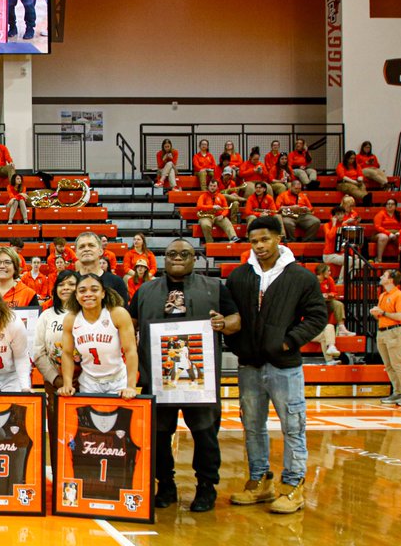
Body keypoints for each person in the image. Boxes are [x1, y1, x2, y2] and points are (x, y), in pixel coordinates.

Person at [128, 239, 240, 512]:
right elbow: (128, 324)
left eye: (185, 254)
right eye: (172, 253)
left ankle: (206, 487)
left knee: (204, 434)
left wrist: (223, 323)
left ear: (195, 258)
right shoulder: (146, 290)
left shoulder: (214, 288)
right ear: (164, 258)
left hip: (199, 378)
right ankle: (165, 484)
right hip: (156, 377)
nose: (178, 257)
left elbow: (236, 319)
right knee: (159, 435)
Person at [225, 216, 327, 514]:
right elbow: (232, 317)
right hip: (249, 366)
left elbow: (318, 315)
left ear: (278, 238)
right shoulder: (239, 276)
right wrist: (237, 344)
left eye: (265, 239)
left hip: (285, 366)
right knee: (252, 427)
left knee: (293, 427)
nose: (259, 246)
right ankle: (260, 481)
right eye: (254, 241)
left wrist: (289, 341)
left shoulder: (300, 277)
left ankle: (294, 485)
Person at [58, 274, 139, 398]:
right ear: (76, 295)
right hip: (89, 382)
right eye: (82, 290)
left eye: (94, 290)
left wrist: (131, 386)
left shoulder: (117, 314)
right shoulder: (71, 319)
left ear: (103, 293)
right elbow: (67, 353)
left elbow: (130, 351)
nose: (88, 294)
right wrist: (67, 384)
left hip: (118, 381)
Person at [32, 270, 79, 430]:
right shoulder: (46, 315)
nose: (65, 288)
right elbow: (38, 351)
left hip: (84, 381)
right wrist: (55, 378)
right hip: (54, 382)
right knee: (56, 428)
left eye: (71, 284)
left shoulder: (87, 313)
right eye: (61, 284)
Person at [372, 269, 401, 406]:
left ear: (390, 280)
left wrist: (383, 312)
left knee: (397, 364)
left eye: (384, 275)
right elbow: (380, 315)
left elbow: (400, 317)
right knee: (389, 365)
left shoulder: (399, 295)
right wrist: (376, 313)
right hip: (382, 331)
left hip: (394, 332)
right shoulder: (383, 295)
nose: (381, 277)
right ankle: (398, 392)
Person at [73, 231, 128, 303]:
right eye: (81, 246)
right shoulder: (70, 282)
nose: (86, 249)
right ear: (76, 253)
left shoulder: (116, 282)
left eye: (91, 245)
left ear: (101, 251)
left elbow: (123, 312)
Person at [373, 196, 401, 262]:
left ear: (395, 206)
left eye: (392, 204)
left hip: (396, 233)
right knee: (383, 237)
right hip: (382, 233)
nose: (390, 205)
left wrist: (400, 232)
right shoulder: (380, 214)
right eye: (388, 204)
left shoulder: (400, 215)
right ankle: (379, 259)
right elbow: (377, 226)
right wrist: (389, 233)